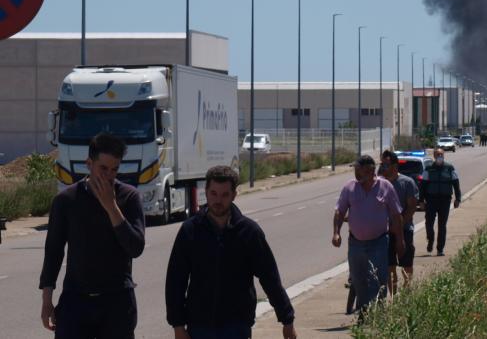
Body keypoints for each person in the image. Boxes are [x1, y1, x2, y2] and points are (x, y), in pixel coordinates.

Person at [165, 165, 296, 339]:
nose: (218, 201)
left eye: (225, 195)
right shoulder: (190, 230)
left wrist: (287, 319)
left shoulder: (249, 232)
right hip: (199, 326)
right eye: (213, 194)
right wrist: (178, 326)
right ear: (206, 192)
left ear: (234, 195)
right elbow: (175, 280)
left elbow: (269, 277)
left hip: (237, 327)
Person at [39, 132, 146, 339]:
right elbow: (53, 252)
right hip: (75, 302)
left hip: (117, 302)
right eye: (103, 168)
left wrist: (111, 207)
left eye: (114, 170)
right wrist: (46, 301)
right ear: (89, 164)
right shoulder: (66, 200)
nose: (108, 175)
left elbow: (136, 247)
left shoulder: (129, 197)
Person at [332, 155, 403, 315]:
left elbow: (396, 215)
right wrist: (336, 233)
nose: (356, 174)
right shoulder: (350, 187)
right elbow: (340, 211)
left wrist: (400, 241)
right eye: (355, 170)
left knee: (377, 279)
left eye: (360, 170)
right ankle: (364, 311)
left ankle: (375, 312)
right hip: (356, 243)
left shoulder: (385, 187)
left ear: (371, 171)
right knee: (358, 280)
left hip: (379, 242)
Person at [378, 151, 419, 292]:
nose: (383, 167)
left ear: (395, 166)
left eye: (386, 164)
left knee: (406, 264)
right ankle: (394, 297)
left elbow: (412, 207)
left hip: (405, 229)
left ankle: (407, 292)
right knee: (390, 266)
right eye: (382, 164)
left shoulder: (407, 183)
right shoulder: (379, 184)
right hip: (386, 232)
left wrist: (399, 225)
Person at [420, 148, 462, 257]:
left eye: (441, 154)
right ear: (434, 156)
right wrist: (421, 201)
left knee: (442, 225)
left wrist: (458, 199)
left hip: (445, 200)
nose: (439, 156)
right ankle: (430, 240)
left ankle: (440, 249)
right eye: (437, 154)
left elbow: (456, 184)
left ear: (444, 155)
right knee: (429, 223)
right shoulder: (428, 169)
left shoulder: (450, 168)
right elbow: (423, 186)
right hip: (431, 200)